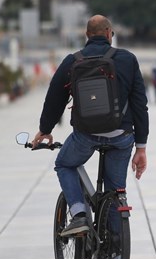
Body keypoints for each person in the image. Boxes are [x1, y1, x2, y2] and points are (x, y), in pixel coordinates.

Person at [32, 15, 149, 236]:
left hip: (86, 135)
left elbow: (54, 97)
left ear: (87, 35)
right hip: (121, 135)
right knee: (115, 191)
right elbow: (140, 104)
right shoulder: (127, 60)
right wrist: (141, 147)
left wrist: (45, 129)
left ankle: (79, 214)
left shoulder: (72, 61)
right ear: (109, 34)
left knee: (64, 164)